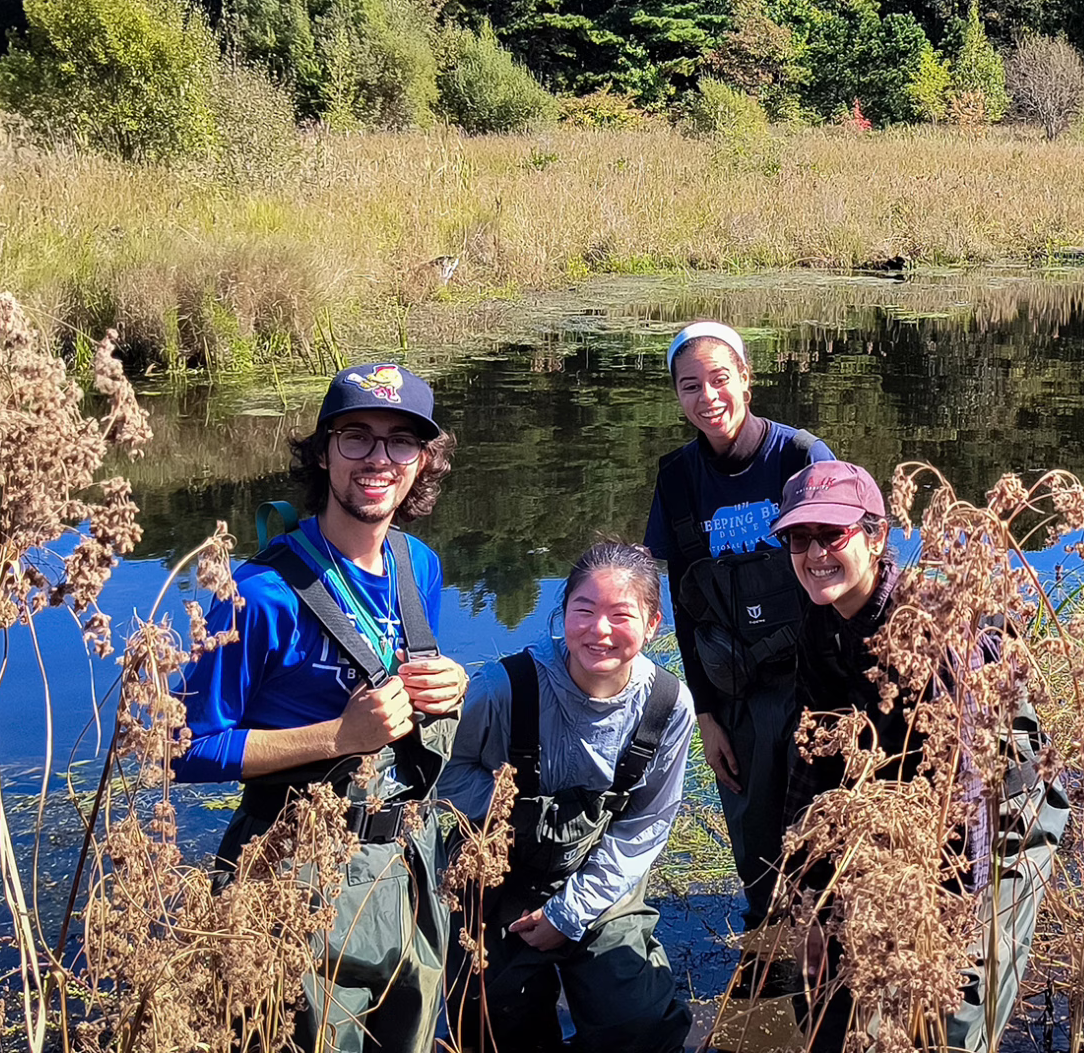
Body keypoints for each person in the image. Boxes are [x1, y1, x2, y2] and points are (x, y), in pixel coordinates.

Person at [175, 362, 472, 1053]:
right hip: (293, 870)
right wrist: (338, 735)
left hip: (406, 864)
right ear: (321, 451)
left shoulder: (417, 565)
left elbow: (404, 686)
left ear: (424, 460)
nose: (378, 459)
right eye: (356, 437)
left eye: (402, 442)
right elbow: (181, 749)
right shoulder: (258, 596)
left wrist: (447, 687)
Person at [771, 460, 1068, 1053]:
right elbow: (812, 762)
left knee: (957, 1001)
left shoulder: (936, 628)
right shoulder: (817, 616)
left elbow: (965, 801)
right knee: (833, 995)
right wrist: (809, 896)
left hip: (993, 806)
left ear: (878, 537)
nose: (814, 553)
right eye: (798, 539)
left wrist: (941, 921)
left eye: (832, 535)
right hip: (896, 793)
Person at [440, 543, 696, 1053]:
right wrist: (504, 801)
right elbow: (443, 778)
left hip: (601, 873)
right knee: (493, 1020)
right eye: (584, 610)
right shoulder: (502, 688)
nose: (599, 631)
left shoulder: (668, 705)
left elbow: (643, 826)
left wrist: (568, 914)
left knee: (640, 1022)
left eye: (621, 615)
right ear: (562, 615)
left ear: (652, 624)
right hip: (501, 876)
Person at [642, 321, 832, 939]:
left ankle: (834, 946)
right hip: (734, 691)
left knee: (827, 825)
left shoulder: (801, 458)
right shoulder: (676, 479)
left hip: (815, 678)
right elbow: (685, 605)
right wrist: (704, 713)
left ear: (747, 379)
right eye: (689, 385)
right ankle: (770, 950)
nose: (708, 397)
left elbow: (848, 575)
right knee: (756, 849)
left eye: (720, 379)